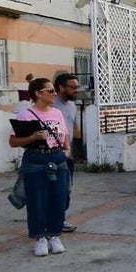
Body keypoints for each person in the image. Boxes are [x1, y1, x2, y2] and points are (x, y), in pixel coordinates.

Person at [9, 78, 70, 256]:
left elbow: (64, 134)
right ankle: (40, 237)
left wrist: (67, 150)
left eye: (53, 91)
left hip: (57, 157)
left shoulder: (57, 113)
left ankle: (55, 235)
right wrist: (32, 137)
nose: (54, 94)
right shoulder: (25, 116)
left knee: (59, 198)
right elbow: (13, 141)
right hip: (36, 158)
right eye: (50, 91)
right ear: (38, 93)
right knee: (37, 200)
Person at [54, 72, 81, 232]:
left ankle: (60, 218)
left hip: (68, 154)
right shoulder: (51, 105)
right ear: (61, 88)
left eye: (77, 87)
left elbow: (75, 128)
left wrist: (77, 151)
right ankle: (52, 221)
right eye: (73, 87)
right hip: (54, 154)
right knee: (53, 189)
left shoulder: (72, 105)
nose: (76, 90)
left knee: (66, 189)